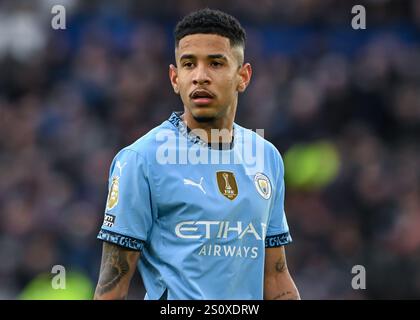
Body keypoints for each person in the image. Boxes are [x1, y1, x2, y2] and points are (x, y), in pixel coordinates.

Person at [94, 8, 300, 300]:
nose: (200, 77)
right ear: (175, 77)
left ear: (243, 76)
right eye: (189, 64)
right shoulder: (141, 160)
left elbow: (276, 276)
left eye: (216, 63)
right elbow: (111, 287)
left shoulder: (266, 157)